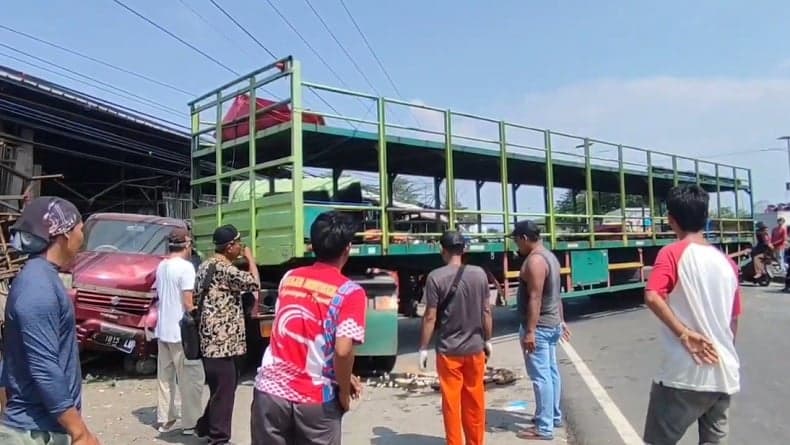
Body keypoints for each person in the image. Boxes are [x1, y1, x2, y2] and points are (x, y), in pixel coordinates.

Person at [251, 211, 366, 445]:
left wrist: (343, 373)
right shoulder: (350, 292)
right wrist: (343, 391)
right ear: (348, 249)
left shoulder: (289, 278)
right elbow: (343, 351)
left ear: (312, 246)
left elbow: (295, 334)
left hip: (269, 395)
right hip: (315, 402)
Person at [642, 184, 742, 445]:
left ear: (671, 220)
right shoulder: (727, 263)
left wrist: (684, 333)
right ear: (706, 218)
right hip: (723, 374)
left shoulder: (672, 253)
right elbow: (732, 322)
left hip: (683, 375)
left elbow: (652, 295)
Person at [0, 197, 100, 445]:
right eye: (80, 229)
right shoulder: (37, 287)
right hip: (34, 433)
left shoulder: (41, 278)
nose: (82, 237)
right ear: (65, 234)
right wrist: (79, 431)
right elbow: (43, 366)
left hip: (41, 427)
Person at [417, 230, 493, 445]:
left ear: (443, 250)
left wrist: (423, 347)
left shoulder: (435, 277)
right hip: (475, 349)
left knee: (451, 403)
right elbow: (486, 311)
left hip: (449, 352)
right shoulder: (479, 274)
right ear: (464, 249)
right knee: (475, 401)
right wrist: (487, 339)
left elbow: (430, 316)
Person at [194, 224, 260, 445]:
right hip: (223, 343)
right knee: (225, 392)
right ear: (229, 246)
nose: (241, 247)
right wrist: (250, 259)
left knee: (219, 389)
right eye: (239, 243)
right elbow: (254, 283)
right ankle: (219, 439)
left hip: (208, 340)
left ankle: (205, 427)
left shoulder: (205, 266)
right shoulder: (225, 269)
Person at [511, 219, 570, 441]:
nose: (516, 245)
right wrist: (561, 321)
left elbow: (535, 298)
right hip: (551, 324)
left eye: (516, 240)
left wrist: (530, 331)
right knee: (551, 372)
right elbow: (556, 294)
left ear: (524, 238)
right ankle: (552, 416)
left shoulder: (535, 261)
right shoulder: (549, 257)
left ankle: (544, 427)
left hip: (541, 327)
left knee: (541, 377)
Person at [153, 227, 205, 436]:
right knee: (190, 379)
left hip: (163, 328)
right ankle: (190, 423)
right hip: (181, 332)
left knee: (165, 378)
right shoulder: (186, 268)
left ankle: (165, 419)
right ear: (186, 245)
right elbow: (187, 302)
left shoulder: (161, 266)